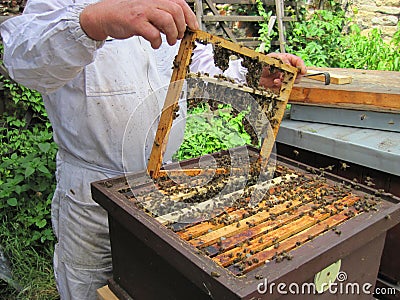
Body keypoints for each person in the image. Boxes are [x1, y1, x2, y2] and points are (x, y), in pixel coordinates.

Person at [0, 0, 306, 299]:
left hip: (163, 183)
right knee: (87, 287)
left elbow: (195, 60)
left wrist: (251, 73)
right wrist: (96, 20)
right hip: (90, 192)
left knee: (151, 282)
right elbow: (23, 61)